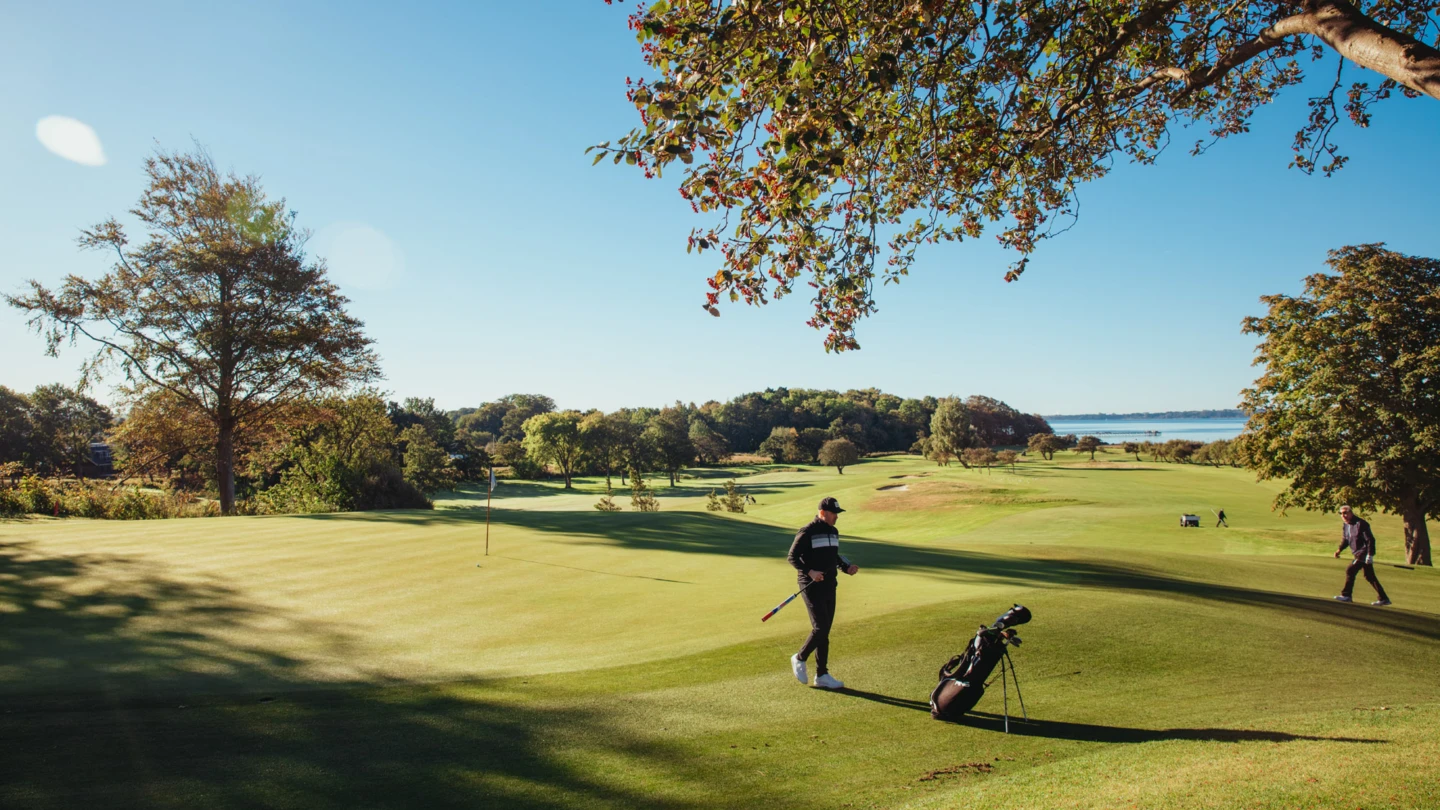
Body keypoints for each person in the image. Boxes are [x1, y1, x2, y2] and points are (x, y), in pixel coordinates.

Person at [787, 496, 860, 689]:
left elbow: (833, 556)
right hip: (811, 585)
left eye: (837, 513)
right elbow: (792, 557)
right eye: (833, 513)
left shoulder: (833, 532)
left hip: (829, 585)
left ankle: (822, 675)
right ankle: (800, 658)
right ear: (822, 513)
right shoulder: (807, 531)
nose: (836, 516)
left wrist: (846, 567)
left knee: (825, 630)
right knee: (820, 628)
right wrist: (810, 571)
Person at [1333, 505, 1391, 606]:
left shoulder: (1361, 524)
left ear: (1351, 512)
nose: (1343, 515)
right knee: (1369, 576)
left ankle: (1346, 595)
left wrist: (1370, 555)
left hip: (1363, 552)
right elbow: (1346, 539)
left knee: (1350, 570)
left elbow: (1370, 540)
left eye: (1346, 513)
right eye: (1341, 513)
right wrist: (1339, 550)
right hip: (1357, 553)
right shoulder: (1346, 525)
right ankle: (1384, 598)